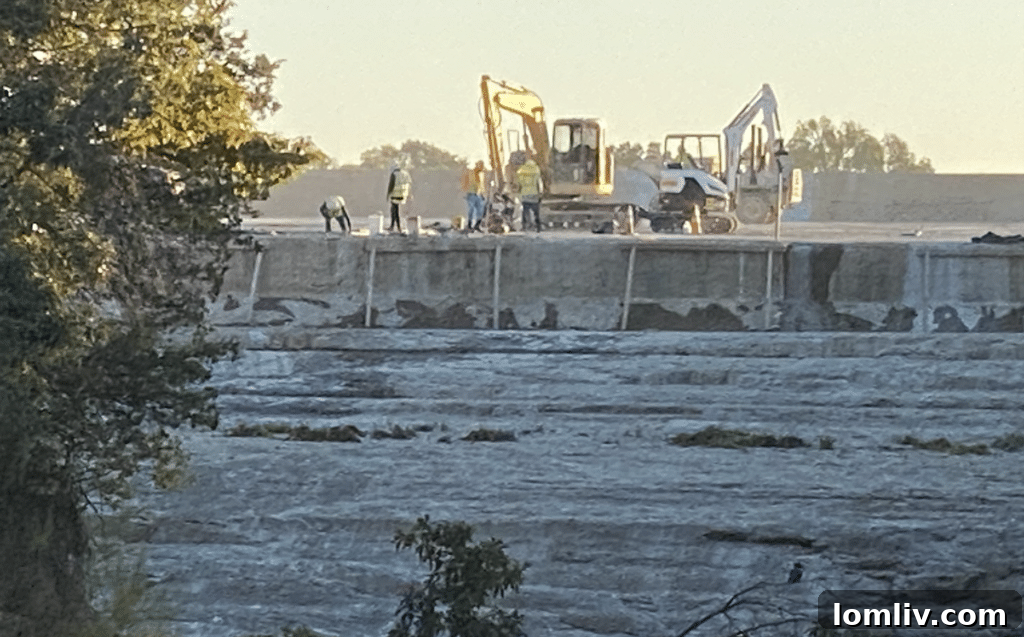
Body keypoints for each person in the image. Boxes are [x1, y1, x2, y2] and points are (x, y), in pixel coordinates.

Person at [515, 156, 543, 232]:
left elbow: (519, 185)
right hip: (534, 194)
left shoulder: (522, 171)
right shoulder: (536, 171)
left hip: (524, 194)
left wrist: (518, 194)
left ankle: (525, 226)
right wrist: (540, 193)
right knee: (536, 212)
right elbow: (539, 184)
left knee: (525, 211)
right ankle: (538, 227)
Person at [460, 161, 487, 232]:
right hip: (471, 194)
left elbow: (481, 185)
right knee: (471, 210)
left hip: (478, 194)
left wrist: (482, 194)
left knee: (480, 211)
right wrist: (464, 192)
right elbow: (466, 182)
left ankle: (477, 225)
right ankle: (469, 225)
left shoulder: (481, 174)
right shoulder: (471, 173)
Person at [386, 161, 412, 232]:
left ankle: (396, 227)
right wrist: (408, 194)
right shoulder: (405, 174)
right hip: (403, 195)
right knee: (395, 210)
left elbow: (391, 186)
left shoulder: (394, 174)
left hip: (395, 195)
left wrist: (388, 195)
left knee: (394, 210)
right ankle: (396, 227)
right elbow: (409, 183)